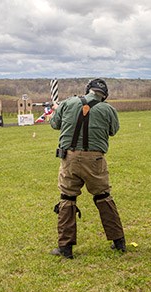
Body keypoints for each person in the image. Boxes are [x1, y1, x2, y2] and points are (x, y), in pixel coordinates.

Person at [49, 78, 124, 259]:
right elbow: (113, 130)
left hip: (70, 158)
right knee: (104, 197)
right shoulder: (108, 109)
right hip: (95, 159)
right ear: (104, 95)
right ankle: (119, 241)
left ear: (88, 90)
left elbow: (54, 124)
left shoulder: (68, 103)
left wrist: (56, 110)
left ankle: (65, 248)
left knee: (67, 198)